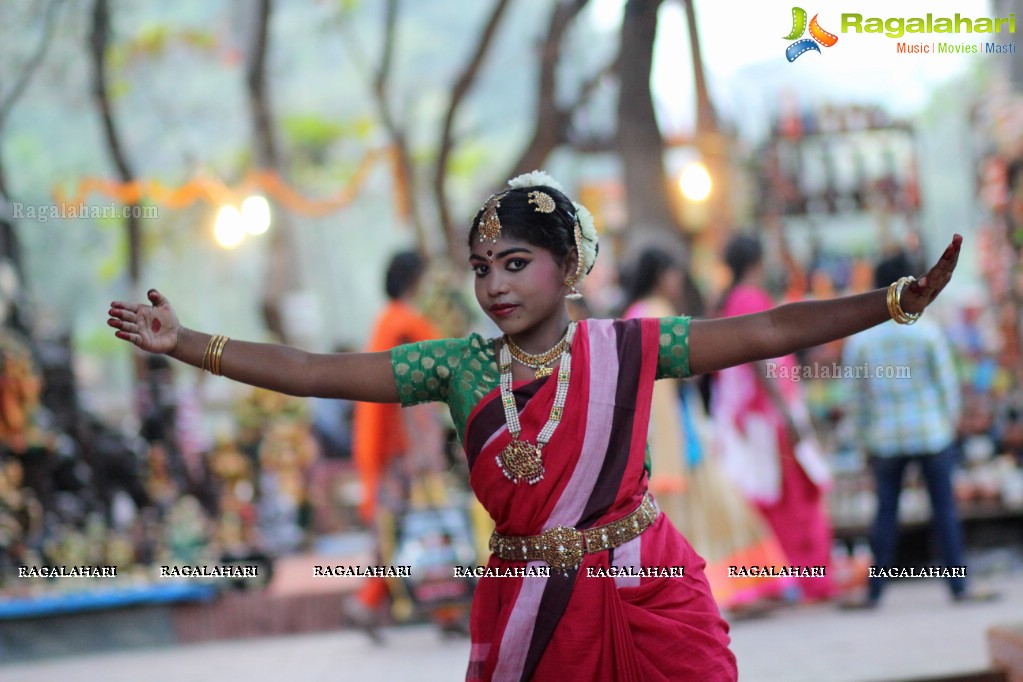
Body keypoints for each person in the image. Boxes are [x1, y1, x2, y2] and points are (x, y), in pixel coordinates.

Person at [108, 169, 962, 681]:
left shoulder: (629, 348)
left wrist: (890, 303)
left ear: (568, 268)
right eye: (482, 268)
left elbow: (769, 330)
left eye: (516, 263)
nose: (496, 286)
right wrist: (185, 343)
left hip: (650, 589)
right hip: (532, 601)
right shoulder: (457, 367)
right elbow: (309, 372)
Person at [620, 248, 794, 616]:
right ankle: (728, 588)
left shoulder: (633, 313)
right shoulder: (659, 312)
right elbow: (686, 369)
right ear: (661, 275)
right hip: (677, 431)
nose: (678, 281)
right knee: (715, 508)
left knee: (683, 517)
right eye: (674, 273)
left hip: (653, 433)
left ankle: (692, 592)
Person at [840, 251, 992, 608]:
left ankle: (876, 591)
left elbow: (854, 395)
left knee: (885, 514)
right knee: (944, 511)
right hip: (931, 433)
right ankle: (958, 586)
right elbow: (947, 383)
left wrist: (863, 437)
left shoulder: (862, 339)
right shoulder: (927, 330)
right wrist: (948, 423)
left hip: (885, 438)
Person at [711, 234, 837, 604]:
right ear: (757, 263)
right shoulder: (750, 299)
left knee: (772, 501)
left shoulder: (729, 301)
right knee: (796, 500)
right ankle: (808, 581)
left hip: (749, 417)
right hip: (769, 417)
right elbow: (762, 361)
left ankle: (778, 582)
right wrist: (787, 412)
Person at [348, 250, 449, 635]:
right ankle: (439, 608)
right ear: (413, 280)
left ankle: (376, 605)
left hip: (397, 448)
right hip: (405, 450)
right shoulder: (405, 323)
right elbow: (421, 386)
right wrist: (425, 450)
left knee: (408, 526)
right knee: (419, 524)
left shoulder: (389, 320)